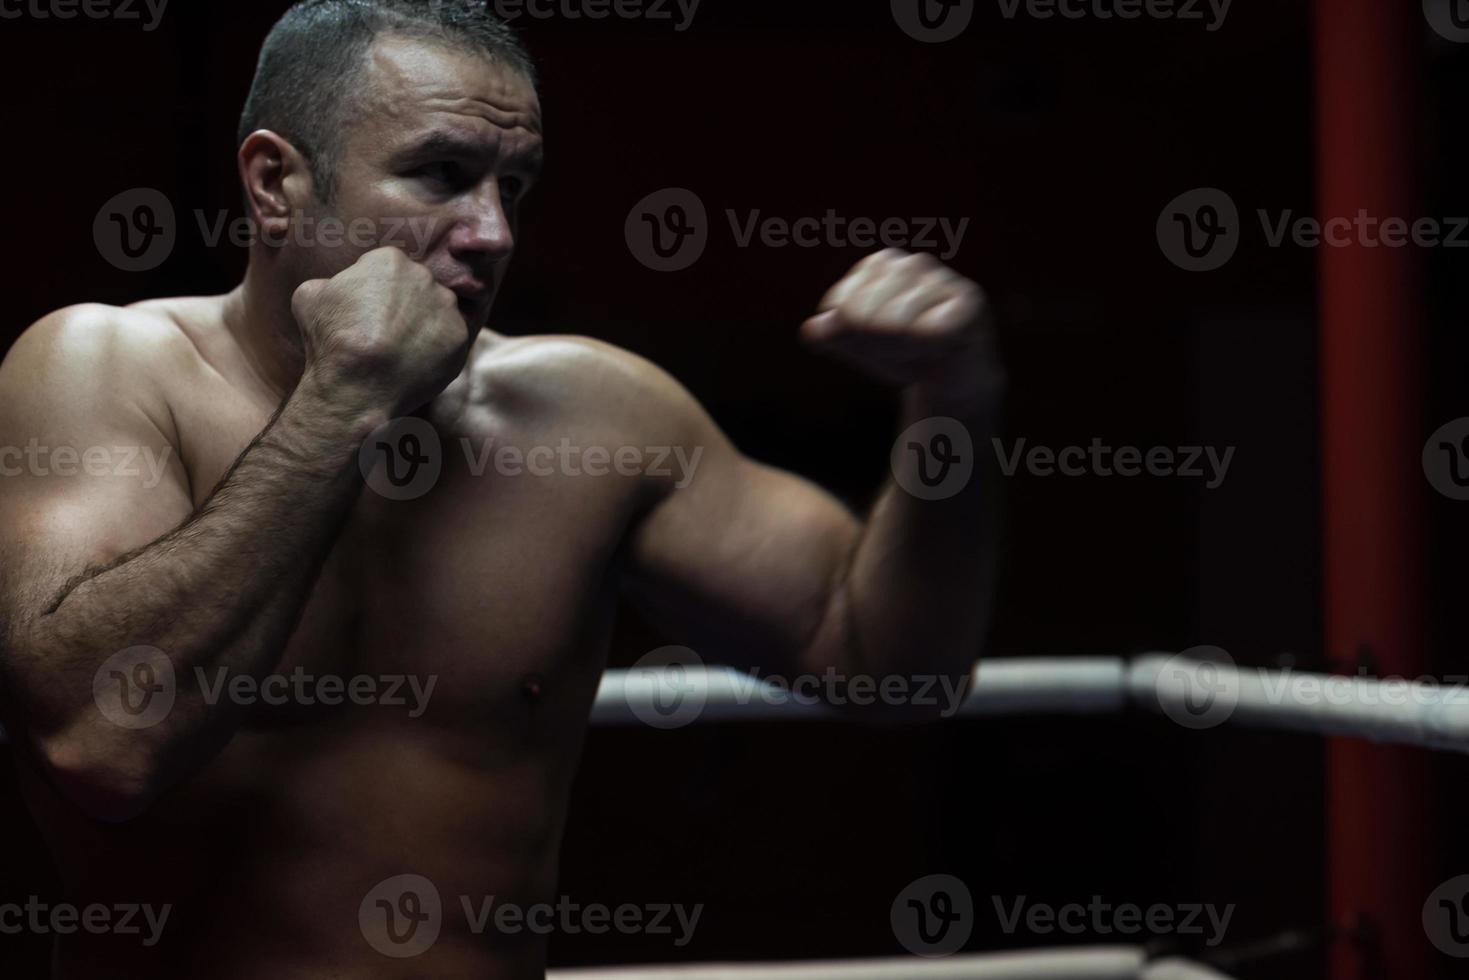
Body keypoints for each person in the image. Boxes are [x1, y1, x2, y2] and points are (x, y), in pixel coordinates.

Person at [0, 2, 1002, 976]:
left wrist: (952, 400)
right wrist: (343, 402)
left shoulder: (587, 416)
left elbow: (888, 665)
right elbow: (104, 744)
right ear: (275, 184)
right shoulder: (105, 371)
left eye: (511, 186)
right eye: (440, 174)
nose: (490, 232)